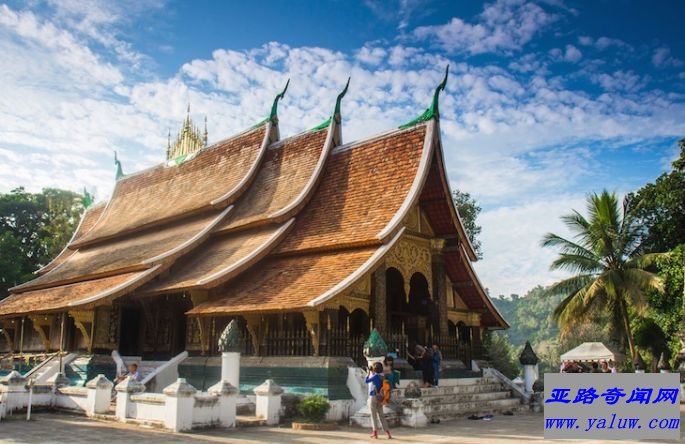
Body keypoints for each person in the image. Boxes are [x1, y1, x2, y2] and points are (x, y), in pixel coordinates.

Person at [365, 362, 391, 439]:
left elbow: (366, 381)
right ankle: (387, 433)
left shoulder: (375, 376)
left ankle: (375, 432)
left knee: (373, 415)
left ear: (374, 369)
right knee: (381, 415)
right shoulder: (382, 376)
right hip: (381, 397)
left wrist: (368, 373)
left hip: (373, 396)